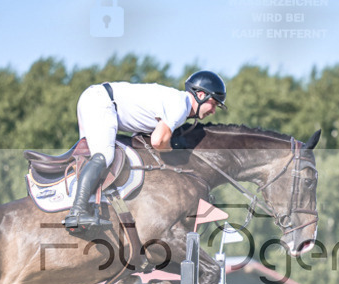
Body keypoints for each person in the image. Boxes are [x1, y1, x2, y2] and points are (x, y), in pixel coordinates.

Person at [62, 70, 227, 230]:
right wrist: (171, 151)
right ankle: (77, 212)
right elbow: (157, 141)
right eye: (213, 103)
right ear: (200, 95)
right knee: (104, 155)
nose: (213, 111)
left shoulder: (176, 103)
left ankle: (86, 208)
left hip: (97, 99)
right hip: (101, 101)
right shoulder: (180, 106)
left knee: (94, 159)